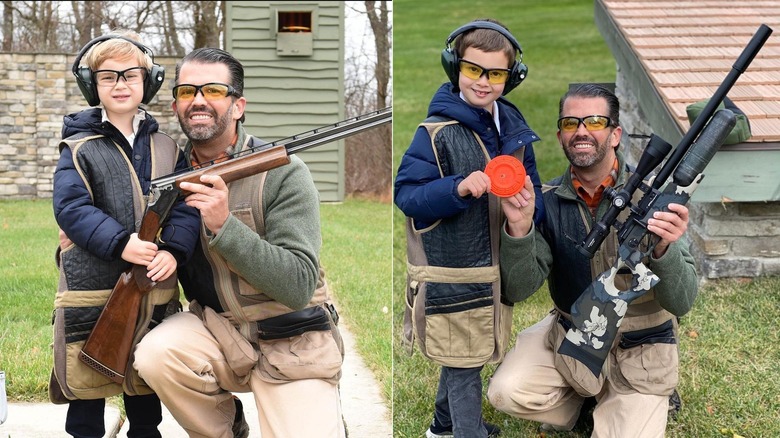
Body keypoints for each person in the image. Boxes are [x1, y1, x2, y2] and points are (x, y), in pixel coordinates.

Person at [132, 47, 346, 438]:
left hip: (293, 342)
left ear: (239, 105)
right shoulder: (166, 175)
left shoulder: (284, 173)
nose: (198, 100)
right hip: (220, 334)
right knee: (156, 354)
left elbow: (298, 285)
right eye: (186, 91)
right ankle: (225, 428)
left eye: (213, 90)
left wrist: (224, 225)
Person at [486, 83, 698, 437]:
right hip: (576, 333)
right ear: (560, 136)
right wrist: (520, 229)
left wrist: (664, 248)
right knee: (506, 392)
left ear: (615, 134)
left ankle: (633, 398)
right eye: (571, 123)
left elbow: (683, 300)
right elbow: (520, 288)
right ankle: (583, 400)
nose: (581, 131)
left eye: (595, 121)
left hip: (639, 348)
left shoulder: (653, 200)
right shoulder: (548, 201)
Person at [394, 19, 544, 438]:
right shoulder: (435, 133)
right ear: (454, 67)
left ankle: (442, 426)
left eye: (495, 74)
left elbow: (530, 181)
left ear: (510, 78)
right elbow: (407, 195)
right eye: (473, 69)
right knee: (463, 359)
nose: (483, 81)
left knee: (468, 351)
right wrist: (456, 187)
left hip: (493, 266)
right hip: (453, 271)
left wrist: (534, 212)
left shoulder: (512, 129)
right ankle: (464, 431)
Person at [51, 31, 200, 437]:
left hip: (152, 282)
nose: (120, 85)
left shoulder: (168, 147)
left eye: (131, 75)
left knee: (144, 386)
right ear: (92, 85)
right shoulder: (77, 147)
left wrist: (174, 250)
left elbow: (186, 206)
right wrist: (121, 243)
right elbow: (71, 209)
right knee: (86, 387)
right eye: (108, 77)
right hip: (91, 286)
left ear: (147, 82)